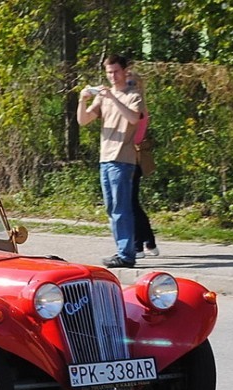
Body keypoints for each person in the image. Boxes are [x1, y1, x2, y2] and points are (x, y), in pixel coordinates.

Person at [77, 54, 144, 268]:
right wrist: (83, 99)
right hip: (105, 158)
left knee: (121, 208)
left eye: (116, 71)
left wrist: (113, 98)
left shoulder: (134, 95)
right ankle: (123, 250)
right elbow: (84, 120)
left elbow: (134, 118)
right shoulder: (103, 97)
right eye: (109, 72)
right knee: (111, 208)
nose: (112, 76)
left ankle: (126, 254)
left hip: (123, 159)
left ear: (124, 71)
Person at [127, 72, 159, 257]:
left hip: (133, 158)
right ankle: (149, 241)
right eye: (127, 83)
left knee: (131, 204)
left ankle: (138, 244)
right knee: (132, 203)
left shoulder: (139, 109)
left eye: (132, 83)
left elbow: (135, 136)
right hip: (127, 157)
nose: (129, 86)